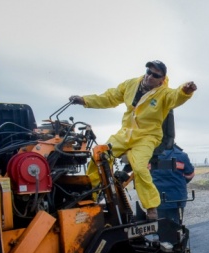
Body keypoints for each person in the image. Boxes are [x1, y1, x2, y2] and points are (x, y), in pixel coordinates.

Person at [69, 60, 197, 220]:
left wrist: (186, 91)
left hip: (147, 136)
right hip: (126, 134)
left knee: (140, 167)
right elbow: (109, 97)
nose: (149, 76)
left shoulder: (164, 94)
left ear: (162, 80)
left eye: (155, 75)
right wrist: (84, 100)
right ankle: (90, 196)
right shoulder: (130, 85)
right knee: (100, 155)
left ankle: (151, 207)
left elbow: (176, 96)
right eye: (148, 72)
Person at [151, 143, 195, 224]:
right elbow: (190, 175)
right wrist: (181, 181)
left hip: (156, 198)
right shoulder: (182, 156)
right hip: (177, 198)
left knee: (158, 225)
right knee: (175, 225)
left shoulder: (149, 156)